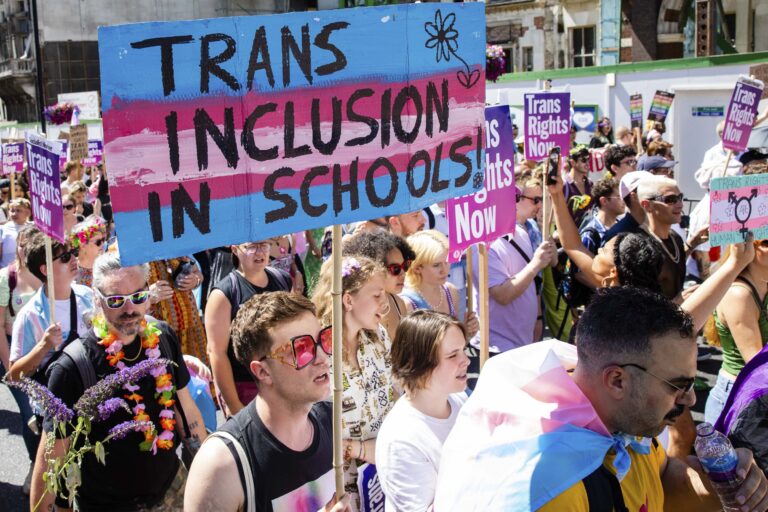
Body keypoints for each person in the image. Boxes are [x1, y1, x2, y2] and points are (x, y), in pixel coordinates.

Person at [435, 287, 768, 511]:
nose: (691, 399)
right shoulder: (552, 491)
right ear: (617, 380)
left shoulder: (622, 413)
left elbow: (662, 477)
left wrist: (730, 484)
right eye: (677, 385)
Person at [37, 252, 207, 511]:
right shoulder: (71, 367)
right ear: (96, 298)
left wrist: (207, 469)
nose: (129, 310)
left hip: (173, 490)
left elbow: (185, 408)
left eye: (138, 297)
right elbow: (51, 460)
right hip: (107, 504)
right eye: (116, 300)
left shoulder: (162, 337)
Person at [185, 291, 349, 512]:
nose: (321, 357)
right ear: (263, 372)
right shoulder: (222, 463)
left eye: (323, 340)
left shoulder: (330, 419)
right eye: (300, 349)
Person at [312, 256, 397, 510]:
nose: (385, 304)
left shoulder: (378, 336)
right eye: (377, 296)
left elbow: (395, 393)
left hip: (384, 469)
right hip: (339, 484)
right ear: (348, 300)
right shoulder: (318, 353)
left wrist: (361, 449)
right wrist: (355, 450)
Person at [376, 310, 469, 511]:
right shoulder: (401, 440)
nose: (466, 360)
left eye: (464, 350)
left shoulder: (460, 401)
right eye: (453, 355)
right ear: (420, 364)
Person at [467, 174, 557, 376]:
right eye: (512, 197)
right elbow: (502, 295)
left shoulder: (521, 233)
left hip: (522, 341)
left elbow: (530, 282)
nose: (515, 202)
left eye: (516, 197)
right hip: (496, 347)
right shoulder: (480, 245)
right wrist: (536, 263)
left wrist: (538, 317)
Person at [206, 240, 292, 417]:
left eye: (264, 245)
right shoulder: (224, 294)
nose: (259, 252)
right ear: (235, 249)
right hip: (246, 386)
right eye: (251, 247)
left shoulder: (282, 279)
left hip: (282, 381)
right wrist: (234, 404)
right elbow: (216, 353)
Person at [704, 239, 768, 424]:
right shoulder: (738, 294)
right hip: (737, 396)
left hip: (757, 393)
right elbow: (758, 364)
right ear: (748, 247)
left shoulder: (764, 284)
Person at [0, 224, 41, 492]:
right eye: (22, 241)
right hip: (18, 358)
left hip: (49, 357)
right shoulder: (6, 278)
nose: (26, 246)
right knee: (31, 417)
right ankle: (34, 468)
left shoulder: (49, 270)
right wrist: (11, 370)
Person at [401, 230, 479, 339]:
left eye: (447, 261)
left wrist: (467, 333)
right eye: (436, 265)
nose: (445, 270)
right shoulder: (407, 304)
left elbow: (455, 346)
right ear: (417, 267)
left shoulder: (451, 291)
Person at [342, 230, 416, 342]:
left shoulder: (399, 303)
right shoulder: (362, 311)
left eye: (405, 266)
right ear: (373, 269)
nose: (402, 273)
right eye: (395, 268)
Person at [148, 256, 208, 365]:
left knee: (196, 375)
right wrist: (147, 295)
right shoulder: (127, 250)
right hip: (156, 334)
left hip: (189, 327)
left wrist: (195, 280)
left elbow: (196, 271)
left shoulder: (172, 243)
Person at [602, 170, 652, 244]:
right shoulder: (616, 236)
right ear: (634, 196)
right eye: (649, 190)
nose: (656, 193)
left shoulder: (660, 226)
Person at [70, 216, 107, 287]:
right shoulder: (70, 269)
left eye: (103, 239)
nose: (103, 244)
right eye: (98, 242)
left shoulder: (106, 265)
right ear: (83, 245)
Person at [0, 197, 31, 268]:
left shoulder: (34, 227)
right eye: (12, 210)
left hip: (26, 270)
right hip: (7, 270)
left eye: (18, 210)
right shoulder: (3, 229)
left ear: (27, 213)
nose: (14, 213)